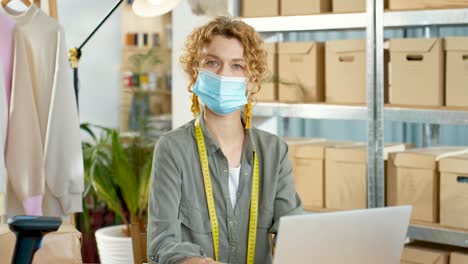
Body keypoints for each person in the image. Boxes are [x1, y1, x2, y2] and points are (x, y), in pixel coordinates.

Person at [147, 16, 303, 264]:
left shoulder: (274, 151)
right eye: (212, 63)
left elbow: (295, 233)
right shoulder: (173, 149)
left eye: (237, 66)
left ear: (251, 80)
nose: (223, 75)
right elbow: (162, 242)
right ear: (194, 72)